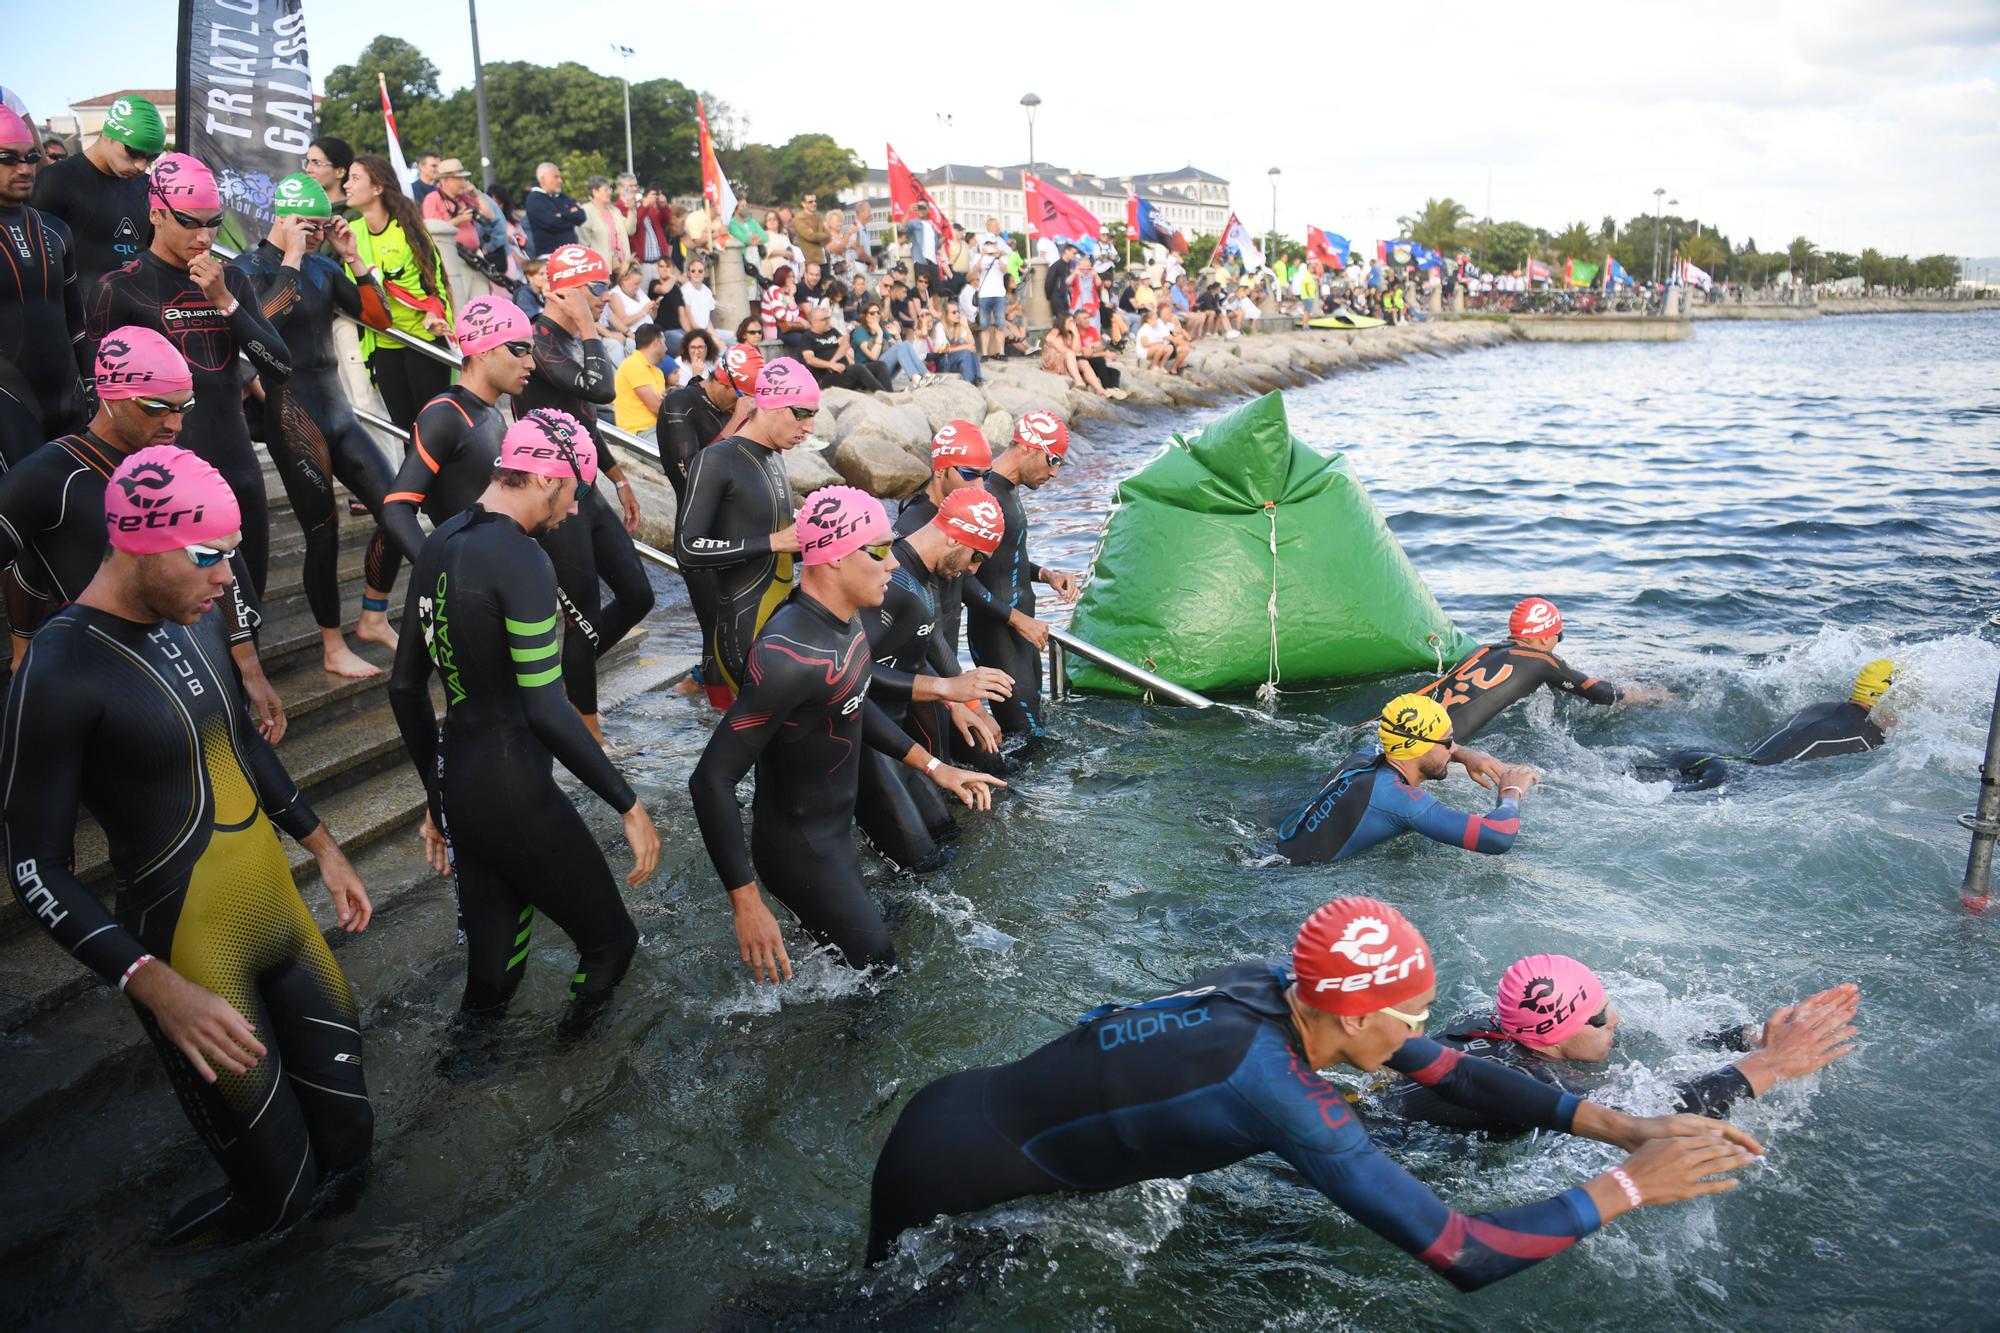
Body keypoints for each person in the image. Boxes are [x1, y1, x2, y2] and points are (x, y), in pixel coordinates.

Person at [867, 896, 1764, 1274]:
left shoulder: (1274, 983)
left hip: (960, 1103)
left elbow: (1456, 1068)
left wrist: (1622, 1124)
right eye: (1408, 1017)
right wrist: (1633, 1185)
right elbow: (1465, 1253)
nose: (1422, 1033)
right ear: (1348, 1016)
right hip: (945, 1172)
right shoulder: (1283, 1093)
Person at [3, 445, 377, 1245]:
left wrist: (324, 843)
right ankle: (155, 1281)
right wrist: (152, 983)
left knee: (352, 1149)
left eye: (232, 556)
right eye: (209, 556)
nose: (227, 580)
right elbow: (34, 865)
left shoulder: (196, 615)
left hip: (282, 919)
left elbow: (243, 743)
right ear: (141, 541)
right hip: (191, 954)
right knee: (277, 1199)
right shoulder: (60, 669)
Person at [389, 410, 657, 1018]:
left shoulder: (438, 542)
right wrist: (628, 803)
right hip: (514, 788)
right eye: (575, 492)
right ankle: (577, 1080)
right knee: (611, 945)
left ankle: (458, 1090)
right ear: (545, 478)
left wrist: (438, 799)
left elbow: (405, 689)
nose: (573, 511)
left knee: (492, 979)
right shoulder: (523, 560)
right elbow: (545, 707)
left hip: (462, 783)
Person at [689, 486, 1005, 977]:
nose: (894, 564)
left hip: (832, 835)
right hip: (799, 849)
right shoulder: (787, 654)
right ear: (833, 558)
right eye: (879, 551)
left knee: (850, 972)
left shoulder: (845, 624)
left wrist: (936, 767)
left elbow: (853, 706)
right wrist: (746, 903)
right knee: (880, 977)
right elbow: (710, 779)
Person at [88, 152, 291, 594]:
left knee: (250, 596)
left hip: (235, 461)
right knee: (191, 607)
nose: (204, 236)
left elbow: (279, 365)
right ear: (157, 214)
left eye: (213, 222)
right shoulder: (120, 288)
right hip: (163, 475)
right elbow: (94, 396)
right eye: (190, 223)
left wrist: (225, 302)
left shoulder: (231, 280)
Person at [1374, 953, 1860, 1135]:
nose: (1618, 1019)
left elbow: (1656, 1039)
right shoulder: (1530, 1081)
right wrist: (1768, 1065)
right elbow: (1647, 1119)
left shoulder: (1489, 1022)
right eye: (1601, 1016)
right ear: (1556, 1035)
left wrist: (1746, 1039)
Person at [233, 174, 405, 677]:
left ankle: (373, 615)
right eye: (304, 225)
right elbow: (262, 329)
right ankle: (333, 646)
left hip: (337, 409)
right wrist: (290, 255)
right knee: (322, 532)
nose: (313, 235)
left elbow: (381, 318)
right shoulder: (245, 269)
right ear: (280, 219)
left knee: (395, 506)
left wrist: (351, 256)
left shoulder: (325, 268)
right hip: (293, 415)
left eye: (319, 226)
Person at [513, 244, 654, 739]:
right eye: (596, 291)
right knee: (583, 616)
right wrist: (589, 327)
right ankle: (585, 725)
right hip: (553, 498)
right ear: (568, 290)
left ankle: (562, 684)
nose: (604, 301)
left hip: (587, 488)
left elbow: (584, 420)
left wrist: (618, 478)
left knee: (638, 595)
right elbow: (601, 391)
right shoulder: (536, 339)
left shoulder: (569, 339)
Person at [856, 486, 1014, 869]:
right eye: (976, 556)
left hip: (895, 740)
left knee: (945, 838)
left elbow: (905, 655)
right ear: (953, 536)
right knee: (920, 866)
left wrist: (952, 702)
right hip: (863, 742)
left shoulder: (919, 578)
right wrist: (947, 688)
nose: (973, 570)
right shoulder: (892, 582)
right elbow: (848, 672)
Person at [675, 357, 818, 707]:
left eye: (813, 414)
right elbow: (687, 549)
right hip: (743, 631)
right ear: (770, 403)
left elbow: (781, 544)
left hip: (778, 623)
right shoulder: (717, 460)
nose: (810, 427)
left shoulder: (774, 458)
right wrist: (774, 542)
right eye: (802, 413)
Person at [1275, 694, 1535, 865]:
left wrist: (1465, 754)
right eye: (1448, 741)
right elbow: (1498, 837)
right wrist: (1511, 792)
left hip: (1274, 852)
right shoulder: (1400, 802)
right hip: (1291, 880)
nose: (1454, 747)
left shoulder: (1365, 757)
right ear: (1417, 747)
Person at [380, 295, 534, 563]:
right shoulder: (446, 415)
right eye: (520, 349)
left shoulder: (491, 414)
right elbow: (396, 508)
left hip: (498, 568)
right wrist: (437, 571)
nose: (530, 363)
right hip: (469, 578)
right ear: (484, 349)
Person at [962, 412, 1079, 743]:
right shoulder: (984, 495)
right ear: (1028, 447)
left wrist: (1046, 574)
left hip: (1020, 633)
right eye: (1052, 460)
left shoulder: (1009, 491)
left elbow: (1003, 561)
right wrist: (1016, 620)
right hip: (997, 635)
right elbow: (961, 578)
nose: (1054, 472)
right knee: (1029, 740)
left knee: (1033, 737)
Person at [1417, 596, 1669, 742]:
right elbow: (1601, 694)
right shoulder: (1541, 660)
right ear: (1544, 638)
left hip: (1407, 728)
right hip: (1433, 748)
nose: (1557, 643)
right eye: (1559, 636)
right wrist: (1642, 695)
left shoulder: (1483, 650)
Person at [1651, 658, 1897, 792]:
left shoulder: (1820, 708)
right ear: (1887, 698)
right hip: (1735, 782)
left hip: (1710, 759)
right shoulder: (1870, 739)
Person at [0, 106, 90, 467]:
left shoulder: (55, 230)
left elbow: (76, 321)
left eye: (31, 157)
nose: (24, 169)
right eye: (8, 159)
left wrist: (94, 385)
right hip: (8, 412)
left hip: (68, 401)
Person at [343, 155, 455, 436]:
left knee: (434, 433)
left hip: (423, 340)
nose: (347, 185)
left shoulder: (407, 230)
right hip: (384, 343)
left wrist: (434, 316)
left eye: (355, 178)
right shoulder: (351, 233)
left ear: (378, 188)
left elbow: (435, 285)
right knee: (406, 433)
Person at [29, 92, 162, 292]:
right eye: (133, 152)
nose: (140, 165)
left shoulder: (146, 186)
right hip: (78, 315)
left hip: (135, 313)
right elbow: (32, 261)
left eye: (151, 157)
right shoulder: (57, 180)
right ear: (107, 135)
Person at [657, 341, 759, 507]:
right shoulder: (680, 403)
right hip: (697, 522)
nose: (743, 404)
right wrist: (736, 422)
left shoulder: (728, 407)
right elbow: (693, 473)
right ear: (724, 382)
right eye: (742, 397)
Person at [802, 304, 891, 392]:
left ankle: (890, 393)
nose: (828, 321)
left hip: (845, 371)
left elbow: (845, 344)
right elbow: (810, 359)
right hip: (827, 377)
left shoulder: (832, 331)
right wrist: (829, 365)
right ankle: (884, 395)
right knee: (858, 368)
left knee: (880, 365)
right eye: (824, 319)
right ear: (814, 322)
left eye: (828, 318)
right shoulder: (807, 337)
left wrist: (832, 361)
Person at [612, 322, 673, 442]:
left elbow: (662, 404)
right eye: (664, 343)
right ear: (656, 343)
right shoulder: (633, 364)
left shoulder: (658, 373)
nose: (666, 348)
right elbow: (656, 406)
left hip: (657, 429)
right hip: (638, 433)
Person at [524, 162, 586, 255]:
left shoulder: (562, 197)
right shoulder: (534, 199)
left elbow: (581, 216)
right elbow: (551, 223)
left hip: (571, 254)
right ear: (543, 179)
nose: (560, 181)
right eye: (555, 177)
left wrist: (562, 215)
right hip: (549, 257)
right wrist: (571, 216)